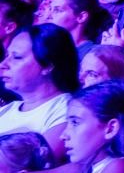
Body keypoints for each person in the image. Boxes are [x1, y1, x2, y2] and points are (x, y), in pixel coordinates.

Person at [0, 24, 79, 159]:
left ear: (47, 65)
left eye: (17, 57)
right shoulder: (6, 110)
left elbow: (36, 163)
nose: (3, 64)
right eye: (7, 56)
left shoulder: (66, 110)